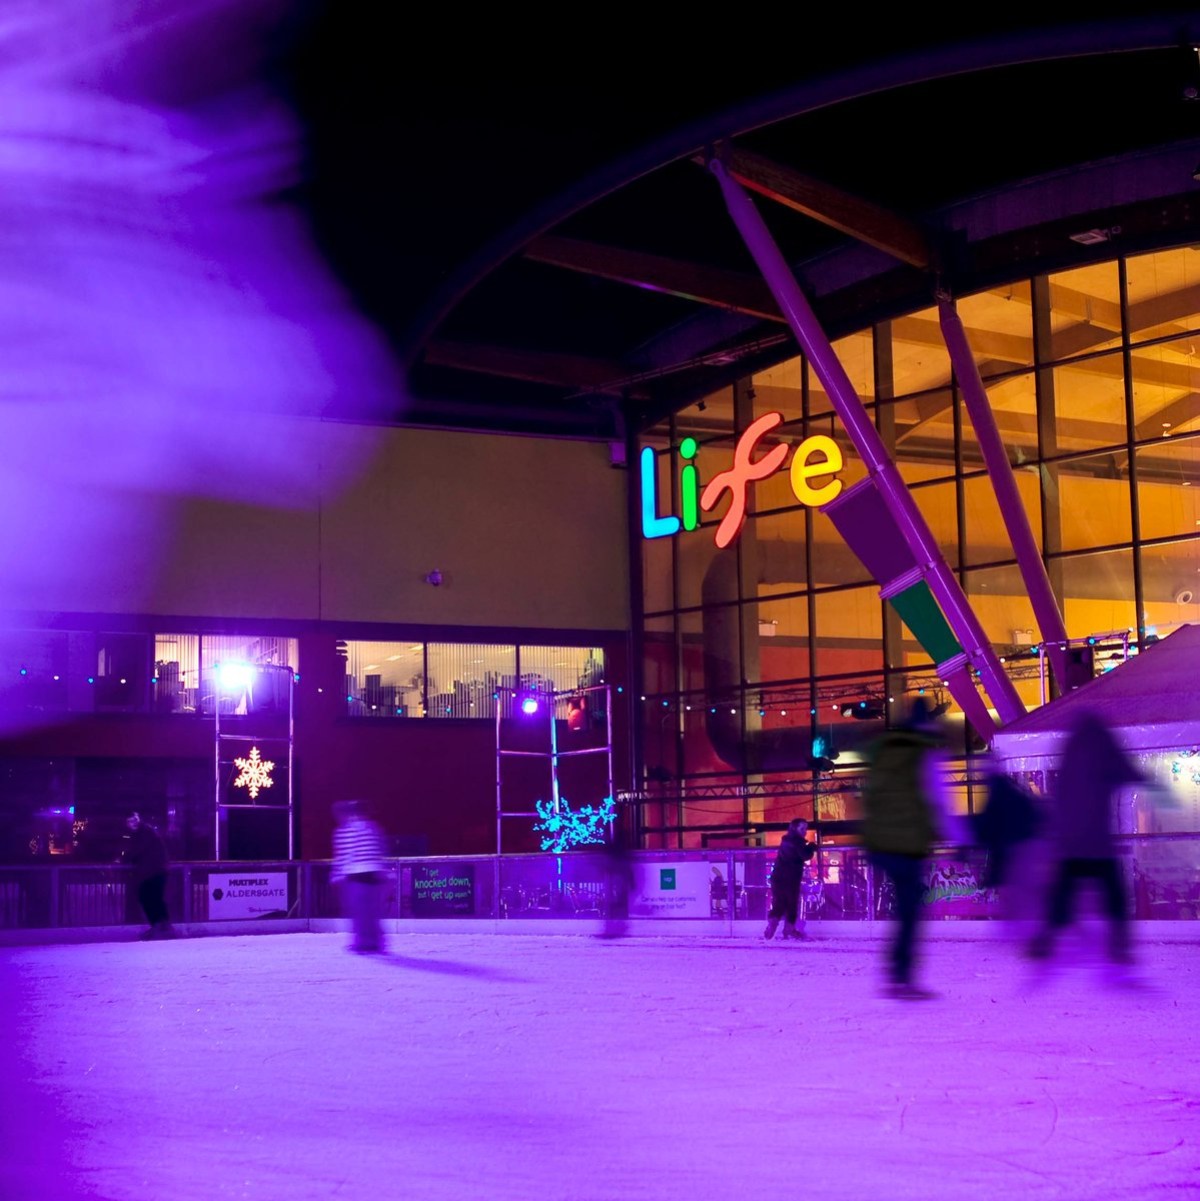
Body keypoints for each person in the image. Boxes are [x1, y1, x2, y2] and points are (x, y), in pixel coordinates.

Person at [1027, 708, 1145, 967]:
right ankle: (1119, 946)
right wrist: (1147, 780)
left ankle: (1044, 941)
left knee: (1061, 895)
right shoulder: (1104, 748)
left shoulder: (1070, 751)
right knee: (1114, 897)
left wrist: (1055, 836)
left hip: (1070, 844)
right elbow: (1126, 771)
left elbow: (1057, 799)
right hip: (1097, 844)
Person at [860, 697, 951, 999]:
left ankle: (897, 975)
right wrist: (958, 839)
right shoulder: (922, 754)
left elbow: (869, 794)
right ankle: (902, 978)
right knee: (911, 911)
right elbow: (938, 800)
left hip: (879, 843)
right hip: (907, 845)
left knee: (906, 908)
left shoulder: (885, 750)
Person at [330, 799, 388, 954]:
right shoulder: (373, 828)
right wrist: (384, 871)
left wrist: (337, 874)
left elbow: (346, 854)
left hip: (357, 874)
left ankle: (362, 943)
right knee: (373, 910)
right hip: (374, 874)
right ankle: (376, 942)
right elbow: (381, 850)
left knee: (358, 910)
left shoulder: (347, 830)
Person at [122, 811, 176, 940]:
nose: (132, 823)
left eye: (134, 820)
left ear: (138, 819)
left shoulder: (144, 832)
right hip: (154, 870)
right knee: (152, 898)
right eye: (130, 821)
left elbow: (137, 851)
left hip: (154, 870)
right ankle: (163, 926)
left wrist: (125, 859)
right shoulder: (142, 832)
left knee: (149, 897)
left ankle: (161, 926)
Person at [763, 817, 816, 940]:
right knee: (791, 903)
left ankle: (773, 921)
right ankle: (789, 928)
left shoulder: (785, 841)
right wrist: (811, 847)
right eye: (802, 828)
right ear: (795, 828)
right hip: (791, 877)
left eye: (806, 829)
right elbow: (805, 855)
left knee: (779, 902)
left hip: (777, 876)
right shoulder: (797, 842)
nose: (805, 831)